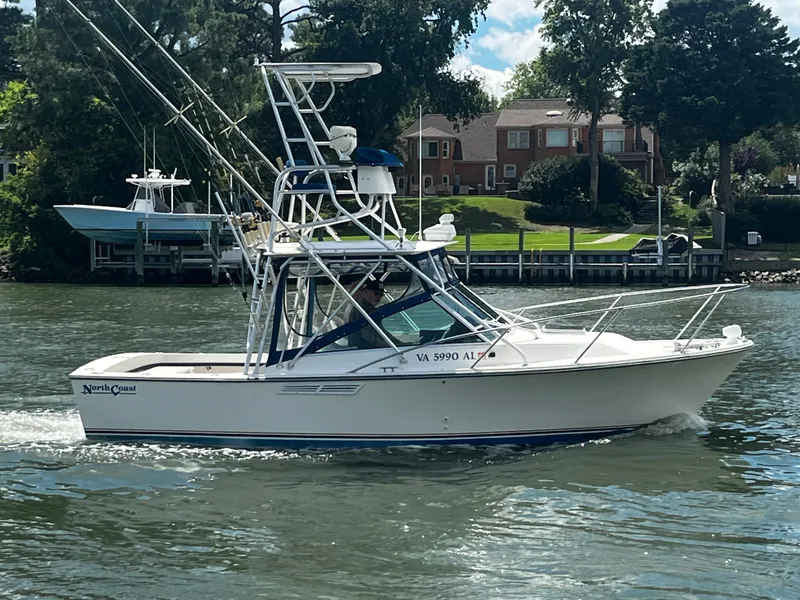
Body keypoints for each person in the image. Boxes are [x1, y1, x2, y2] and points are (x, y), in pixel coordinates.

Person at [345, 279, 400, 349]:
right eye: (376, 293)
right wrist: (389, 346)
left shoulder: (370, 309)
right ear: (365, 292)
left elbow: (381, 331)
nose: (379, 297)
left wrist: (398, 343)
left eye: (381, 294)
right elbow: (367, 335)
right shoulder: (360, 309)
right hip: (361, 350)